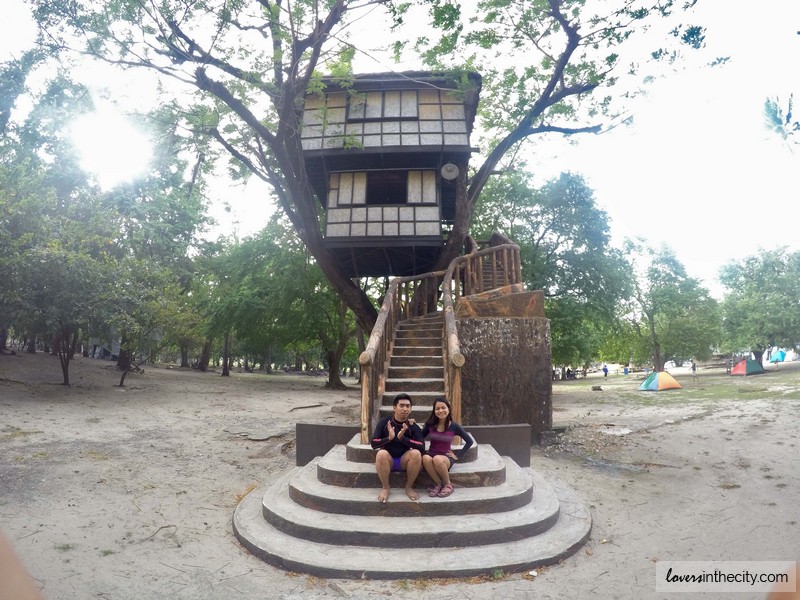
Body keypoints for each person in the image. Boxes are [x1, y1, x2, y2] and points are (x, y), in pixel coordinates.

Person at [371, 393, 424, 503]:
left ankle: (409, 487)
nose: (405, 409)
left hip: (404, 461)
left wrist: (403, 438)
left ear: (410, 409)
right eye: (402, 405)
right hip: (387, 461)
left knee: (416, 454)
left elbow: (422, 447)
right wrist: (389, 438)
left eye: (408, 406)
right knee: (381, 454)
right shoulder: (384, 422)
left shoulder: (412, 425)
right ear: (394, 408)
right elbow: (373, 443)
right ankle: (386, 487)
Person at [420, 397, 474, 498]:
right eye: (437, 408)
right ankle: (438, 484)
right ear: (434, 411)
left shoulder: (454, 426)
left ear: (448, 409)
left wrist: (457, 456)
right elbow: (419, 438)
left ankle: (448, 485)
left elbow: (469, 442)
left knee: (437, 459)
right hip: (431, 454)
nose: (440, 411)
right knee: (425, 458)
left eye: (443, 408)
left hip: (445, 457)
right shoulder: (430, 425)